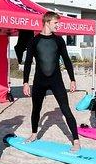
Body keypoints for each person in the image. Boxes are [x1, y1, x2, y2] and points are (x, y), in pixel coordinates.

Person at [23, 11, 80, 151]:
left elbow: (66, 60)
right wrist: (25, 82)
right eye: (56, 23)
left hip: (56, 81)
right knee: (36, 109)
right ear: (47, 22)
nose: (58, 26)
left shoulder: (59, 40)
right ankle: (34, 134)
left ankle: (76, 140)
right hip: (39, 81)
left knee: (66, 109)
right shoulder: (34, 41)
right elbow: (28, 62)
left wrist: (72, 79)